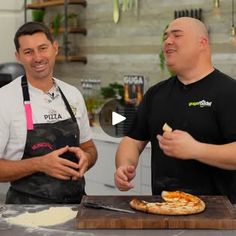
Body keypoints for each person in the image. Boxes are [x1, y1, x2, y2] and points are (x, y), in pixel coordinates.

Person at [114, 17, 236, 203]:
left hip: (219, 217)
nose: (168, 41)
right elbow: (132, 140)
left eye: (176, 35)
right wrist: (124, 166)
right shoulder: (156, 94)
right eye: (166, 37)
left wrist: (196, 149)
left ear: (202, 43)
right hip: (164, 210)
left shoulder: (229, 92)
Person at [0, 21, 97, 204]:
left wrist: (87, 158)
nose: (37, 57)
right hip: (24, 214)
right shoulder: (4, 99)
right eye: (28, 52)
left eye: (42, 48)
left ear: (55, 48)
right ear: (18, 56)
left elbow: (89, 148)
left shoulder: (72, 95)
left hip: (75, 207)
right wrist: (39, 164)